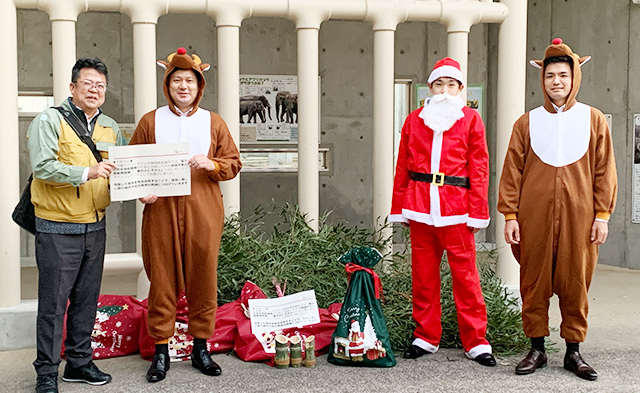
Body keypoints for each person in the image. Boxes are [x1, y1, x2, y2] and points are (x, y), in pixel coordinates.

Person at [498, 38, 617, 381]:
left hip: (581, 218)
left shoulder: (593, 120)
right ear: (542, 79)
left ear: (574, 76)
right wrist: (509, 215)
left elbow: (604, 170)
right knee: (533, 281)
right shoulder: (527, 122)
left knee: (575, 281)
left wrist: (602, 215)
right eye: (550, 75)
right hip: (533, 217)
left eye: (563, 75)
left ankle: (573, 352)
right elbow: (512, 172)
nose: (556, 82)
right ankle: (536, 347)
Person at [129, 47, 242, 383]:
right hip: (161, 211)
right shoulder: (151, 121)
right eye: (176, 80)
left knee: (203, 278)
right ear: (168, 85)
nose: (183, 86)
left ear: (199, 85)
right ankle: (161, 351)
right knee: (161, 278)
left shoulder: (213, 121)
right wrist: (141, 189)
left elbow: (233, 162)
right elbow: (131, 164)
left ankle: (200, 348)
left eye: (189, 81)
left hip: (203, 210)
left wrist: (213, 164)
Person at [389, 57, 496, 367]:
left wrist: (478, 211)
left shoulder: (471, 119)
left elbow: (479, 167)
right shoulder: (414, 119)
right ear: (430, 88)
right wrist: (400, 208)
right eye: (439, 84)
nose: (445, 90)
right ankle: (425, 336)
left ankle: (476, 340)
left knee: (466, 278)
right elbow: (402, 166)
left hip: (457, 210)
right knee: (423, 277)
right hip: (421, 206)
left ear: (460, 88)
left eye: (451, 84)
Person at [28, 57, 122, 393]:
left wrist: (141, 190)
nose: (95, 90)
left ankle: (79, 363)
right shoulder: (49, 121)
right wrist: (87, 172)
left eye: (100, 86)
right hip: (57, 225)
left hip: (95, 226)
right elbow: (43, 167)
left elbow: (123, 171)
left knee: (87, 299)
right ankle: (47, 372)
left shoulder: (111, 127)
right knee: (53, 303)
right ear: (72, 87)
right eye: (88, 84)